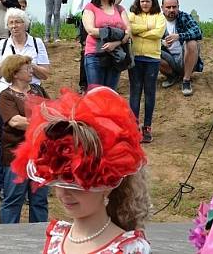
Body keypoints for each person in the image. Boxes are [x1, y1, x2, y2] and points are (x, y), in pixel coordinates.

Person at [11, 87, 150, 254]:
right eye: (58, 181)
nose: (64, 193)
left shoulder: (128, 248)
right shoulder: (57, 238)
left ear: (107, 186)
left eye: (77, 185)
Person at [0, 55, 50, 225]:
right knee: (13, 199)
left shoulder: (38, 90)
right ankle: (8, 241)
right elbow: (15, 121)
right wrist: (42, 122)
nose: (31, 70)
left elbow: (53, 111)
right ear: (15, 73)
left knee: (40, 200)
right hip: (16, 155)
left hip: (40, 154)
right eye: (26, 68)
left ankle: (38, 238)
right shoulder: (6, 96)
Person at [127, 0, 165, 143]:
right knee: (135, 92)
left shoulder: (159, 16)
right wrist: (148, 28)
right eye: (142, 1)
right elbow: (130, 28)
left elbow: (158, 33)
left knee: (149, 93)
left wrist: (139, 31)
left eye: (148, 1)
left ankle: (147, 126)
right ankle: (133, 125)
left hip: (152, 59)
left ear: (152, 3)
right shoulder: (132, 15)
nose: (145, 4)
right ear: (138, 1)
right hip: (135, 57)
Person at [81, 0, 130, 90]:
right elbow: (91, 30)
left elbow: (128, 32)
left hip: (116, 54)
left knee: (110, 93)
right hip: (94, 54)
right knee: (96, 93)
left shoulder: (119, 8)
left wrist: (116, 43)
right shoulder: (90, 7)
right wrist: (115, 32)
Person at [159, 0, 203, 96]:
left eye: (174, 7)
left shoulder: (184, 16)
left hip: (185, 58)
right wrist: (161, 42)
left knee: (192, 42)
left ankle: (186, 80)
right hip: (168, 59)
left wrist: (179, 36)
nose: (171, 10)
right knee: (150, 49)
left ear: (178, 6)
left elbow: (198, 32)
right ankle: (172, 76)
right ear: (162, 8)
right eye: (168, 7)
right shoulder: (157, 20)